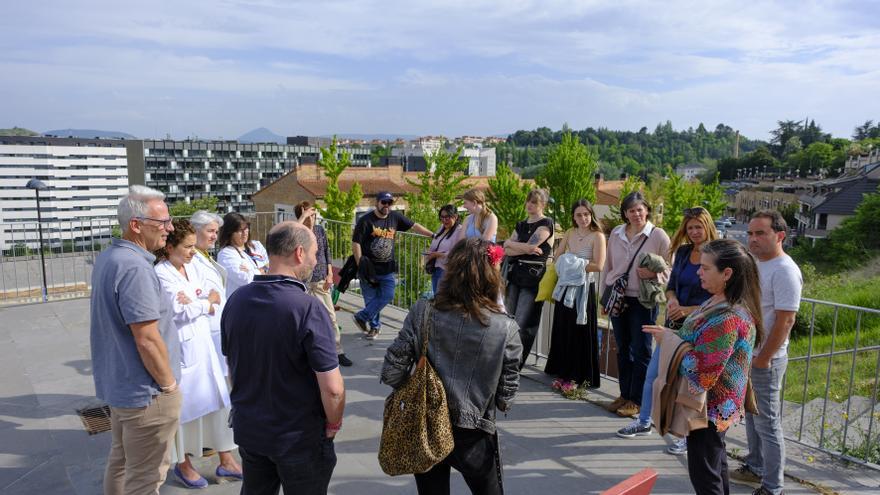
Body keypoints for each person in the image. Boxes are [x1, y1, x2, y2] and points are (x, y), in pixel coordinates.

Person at [381, 238, 522, 495]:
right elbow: (505, 399)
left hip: (425, 424)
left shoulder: (423, 311)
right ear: (493, 275)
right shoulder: (506, 328)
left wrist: (417, 387)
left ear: (451, 270)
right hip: (475, 431)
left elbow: (392, 371)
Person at [222, 221, 345, 495]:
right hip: (297, 436)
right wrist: (333, 425)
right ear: (299, 253)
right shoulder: (308, 307)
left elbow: (232, 367)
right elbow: (333, 388)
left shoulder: (236, 300)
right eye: (314, 254)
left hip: (251, 429)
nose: (316, 261)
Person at [643, 239, 762, 495]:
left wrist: (669, 342)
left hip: (709, 411)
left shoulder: (727, 317)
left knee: (705, 476)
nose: (698, 271)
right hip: (715, 408)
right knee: (715, 466)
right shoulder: (719, 303)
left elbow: (703, 375)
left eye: (706, 268)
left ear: (727, 273)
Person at [90, 185, 182, 495]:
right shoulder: (134, 268)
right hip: (148, 395)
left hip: (123, 387)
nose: (169, 229)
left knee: (121, 461)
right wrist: (169, 387)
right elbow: (146, 338)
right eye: (162, 223)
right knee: (145, 479)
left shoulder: (110, 257)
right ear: (136, 225)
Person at [616, 207, 718, 454]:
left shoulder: (717, 255)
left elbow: (718, 298)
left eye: (699, 227)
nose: (694, 232)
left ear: (708, 227)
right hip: (673, 323)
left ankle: (688, 434)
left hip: (700, 326)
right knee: (654, 374)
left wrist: (686, 309)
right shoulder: (683, 252)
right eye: (690, 227)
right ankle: (644, 421)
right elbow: (671, 284)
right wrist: (672, 301)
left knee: (690, 384)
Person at [154, 219, 241, 488]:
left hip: (203, 345)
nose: (193, 252)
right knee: (184, 413)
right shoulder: (161, 273)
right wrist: (205, 302)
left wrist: (200, 301)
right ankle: (184, 465)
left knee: (218, 403)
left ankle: (226, 461)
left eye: (194, 246)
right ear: (169, 248)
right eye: (188, 247)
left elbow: (212, 293)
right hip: (183, 350)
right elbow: (179, 310)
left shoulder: (192, 268)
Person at [731, 210, 803, 495]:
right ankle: (755, 465)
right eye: (750, 233)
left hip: (766, 359)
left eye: (761, 233)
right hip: (749, 353)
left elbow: (786, 320)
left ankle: (773, 487)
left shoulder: (785, 270)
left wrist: (763, 357)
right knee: (751, 414)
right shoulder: (757, 264)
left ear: (780, 235)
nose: (753, 239)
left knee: (767, 422)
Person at [603, 191, 671, 418]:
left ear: (647, 210)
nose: (636, 214)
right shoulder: (616, 233)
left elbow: (670, 270)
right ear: (625, 213)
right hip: (619, 298)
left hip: (644, 300)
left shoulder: (658, 235)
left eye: (639, 209)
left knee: (641, 350)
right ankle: (624, 394)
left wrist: (654, 273)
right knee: (623, 348)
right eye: (631, 210)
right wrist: (604, 295)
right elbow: (608, 265)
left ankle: (637, 400)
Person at [352, 191, 433, 339]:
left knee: (388, 295)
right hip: (369, 269)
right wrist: (360, 265)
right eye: (384, 202)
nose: (387, 206)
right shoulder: (365, 220)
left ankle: (361, 316)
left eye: (389, 203)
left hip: (387, 269)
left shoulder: (395, 217)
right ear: (377, 202)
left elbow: (415, 226)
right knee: (371, 300)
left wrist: (433, 235)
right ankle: (375, 328)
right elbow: (356, 243)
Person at [544, 199, 606, 388]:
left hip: (585, 290)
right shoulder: (570, 233)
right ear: (573, 216)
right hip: (566, 287)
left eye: (586, 214)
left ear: (591, 215)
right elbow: (557, 256)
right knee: (564, 330)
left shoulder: (598, 236)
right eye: (579, 214)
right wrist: (570, 261)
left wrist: (573, 263)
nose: (583, 218)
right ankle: (563, 372)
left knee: (580, 332)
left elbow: (598, 265)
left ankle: (578, 376)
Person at [296, 200, 352, 367]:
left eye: (314, 215)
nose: (312, 218)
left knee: (331, 317)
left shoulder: (320, 230)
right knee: (305, 320)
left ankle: (338, 351)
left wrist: (329, 274)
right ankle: (305, 353)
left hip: (321, 280)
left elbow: (327, 251)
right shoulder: (297, 232)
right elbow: (290, 234)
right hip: (303, 282)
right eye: (309, 215)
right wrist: (303, 218)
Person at [504, 188, 554, 367]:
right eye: (529, 201)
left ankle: (515, 363)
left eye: (535, 202)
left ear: (543, 205)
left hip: (532, 278)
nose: (530, 205)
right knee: (508, 319)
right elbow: (509, 249)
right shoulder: (521, 224)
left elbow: (527, 246)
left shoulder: (546, 223)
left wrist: (513, 244)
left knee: (522, 322)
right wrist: (514, 245)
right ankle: (506, 359)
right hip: (516, 274)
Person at [189, 210, 228, 376]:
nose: (214, 236)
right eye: (210, 231)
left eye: (216, 232)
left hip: (217, 324)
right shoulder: (191, 259)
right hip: (208, 325)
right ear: (195, 230)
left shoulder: (204, 256)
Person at [217, 212, 262, 296]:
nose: (245, 233)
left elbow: (270, 267)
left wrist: (251, 271)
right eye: (239, 230)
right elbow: (244, 279)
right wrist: (261, 271)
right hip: (242, 300)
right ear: (230, 233)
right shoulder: (225, 254)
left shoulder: (256, 246)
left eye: (246, 228)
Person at [425, 204, 464, 295]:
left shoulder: (460, 231)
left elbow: (457, 252)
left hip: (447, 270)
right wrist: (430, 252)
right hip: (436, 267)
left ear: (455, 216)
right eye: (442, 217)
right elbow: (436, 243)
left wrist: (437, 254)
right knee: (437, 296)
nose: (444, 220)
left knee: (442, 299)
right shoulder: (442, 227)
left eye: (447, 217)